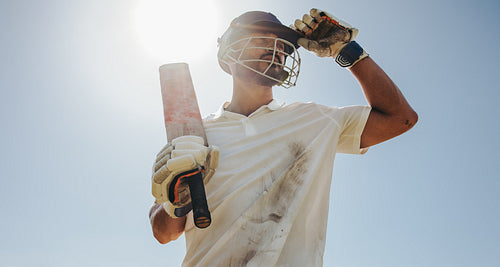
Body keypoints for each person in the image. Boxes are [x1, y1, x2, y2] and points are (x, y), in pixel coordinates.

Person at [149, 8, 418, 266]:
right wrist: (176, 199)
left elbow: (400, 118)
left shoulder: (315, 119)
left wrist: (346, 50)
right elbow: (164, 233)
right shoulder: (194, 135)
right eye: (263, 40)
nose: (277, 51)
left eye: (282, 46)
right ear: (229, 52)